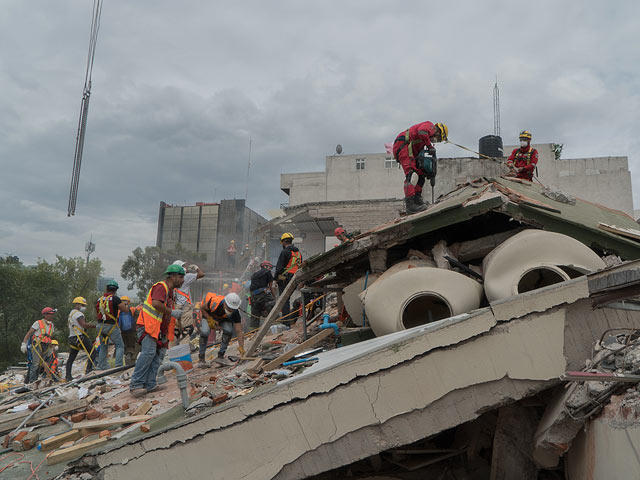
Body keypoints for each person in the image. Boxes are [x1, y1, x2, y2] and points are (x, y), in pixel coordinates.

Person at [129, 264, 185, 397]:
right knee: (148, 353)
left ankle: (150, 384)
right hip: (148, 326)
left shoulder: (171, 292)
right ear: (173, 276)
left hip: (158, 329)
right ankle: (136, 385)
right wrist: (172, 312)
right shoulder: (161, 287)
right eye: (181, 277)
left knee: (158, 355)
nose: (183, 280)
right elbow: (156, 304)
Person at [392, 121, 448, 213]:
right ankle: (410, 204)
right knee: (412, 174)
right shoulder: (430, 126)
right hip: (403, 144)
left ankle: (417, 199)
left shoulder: (423, 141)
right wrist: (429, 146)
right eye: (438, 139)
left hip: (409, 149)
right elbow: (421, 132)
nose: (435, 141)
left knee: (420, 175)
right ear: (439, 132)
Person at [199, 292, 244, 367]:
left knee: (228, 331)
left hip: (223, 319)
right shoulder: (214, 303)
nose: (231, 311)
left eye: (233, 309)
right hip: (209, 315)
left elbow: (239, 331)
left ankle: (221, 355)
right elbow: (202, 308)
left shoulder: (235, 313)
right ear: (225, 303)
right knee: (204, 332)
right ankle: (201, 358)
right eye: (229, 308)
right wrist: (209, 319)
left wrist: (241, 347)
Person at [170, 260, 205, 347]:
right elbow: (201, 274)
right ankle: (183, 357)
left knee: (175, 333)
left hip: (174, 309)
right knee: (186, 333)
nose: (186, 267)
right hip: (185, 309)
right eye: (184, 266)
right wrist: (196, 268)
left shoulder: (172, 279)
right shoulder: (185, 277)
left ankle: (171, 354)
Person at [95, 280, 128, 370]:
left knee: (103, 346)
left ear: (107, 289)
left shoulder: (99, 299)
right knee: (119, 345)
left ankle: (101, 366)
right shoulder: (115, 299)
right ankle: (118, 365)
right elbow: (125, 310)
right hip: (111, 326)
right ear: (116, 290)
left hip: (100, 325)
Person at [65, 296, 97, 381]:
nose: (83, 307)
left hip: (72, 338)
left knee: (71, 358)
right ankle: (89, 371)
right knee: (93, 352)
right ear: (77, 304)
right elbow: (83, 324)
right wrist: (96, 326)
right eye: (82, 305)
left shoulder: (71, 313)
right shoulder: (79, 314)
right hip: (80, 337)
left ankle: (68, 376)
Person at [21, 307, 56, 383]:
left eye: (52, 314)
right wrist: (24, 343)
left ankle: (34, 380)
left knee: (41, 364)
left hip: (46, 346)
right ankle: (32, 381)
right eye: (50, 314)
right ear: (45, 315)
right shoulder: (38, 323)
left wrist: (52, 347)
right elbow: (29, 333)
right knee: (35, 363)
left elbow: (49, 337)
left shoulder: (51, 325)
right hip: (38, 345)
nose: (52, 316)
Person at [275, 232, 302, 325]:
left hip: (285, 278)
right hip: (295, 278)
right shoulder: (298, 253)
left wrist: (275, 279)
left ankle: (285, 322)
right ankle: (287, 320)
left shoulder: (285, 252)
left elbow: (279, 268)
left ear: (283, 242)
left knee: (284, 299)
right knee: (287, 298)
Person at [249, 261, 277, 329]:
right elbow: (271, 287)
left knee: (255, 316)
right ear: (265, 266)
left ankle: (252, 333)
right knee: (274, 307)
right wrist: (274, 297)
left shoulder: (254, 274)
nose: (270, 269)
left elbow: (251, 288)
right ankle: (275, 327)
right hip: (263, 296)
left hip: (254, 298)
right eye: (270, 267)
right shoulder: (268, 272)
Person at [119, 296, 140, 364]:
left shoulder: (118, 311)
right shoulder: (133, 309)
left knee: (123, 345)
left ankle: (124, 358)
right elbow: (138, 318)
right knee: (134, 345)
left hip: (121, 332)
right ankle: (132, 359)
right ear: (128, 302)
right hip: (131, 331)